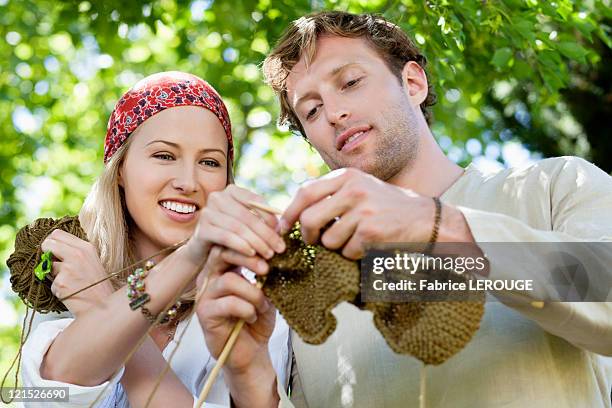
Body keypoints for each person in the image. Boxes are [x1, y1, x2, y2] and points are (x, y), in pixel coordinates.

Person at [197, 10, 612, 408]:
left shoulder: (553, 186)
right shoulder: (313, 286)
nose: (335, 113)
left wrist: (440, 226)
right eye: (312, 110)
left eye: (350, 81)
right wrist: (250, 377)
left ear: (413, 82)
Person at [20, 71, 290, 407]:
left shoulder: (251, 298)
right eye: (164, 155)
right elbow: (49, 395)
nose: (188, 182)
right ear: (120, 169)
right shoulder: (69, 281)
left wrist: (104, 300)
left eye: (209, 162)